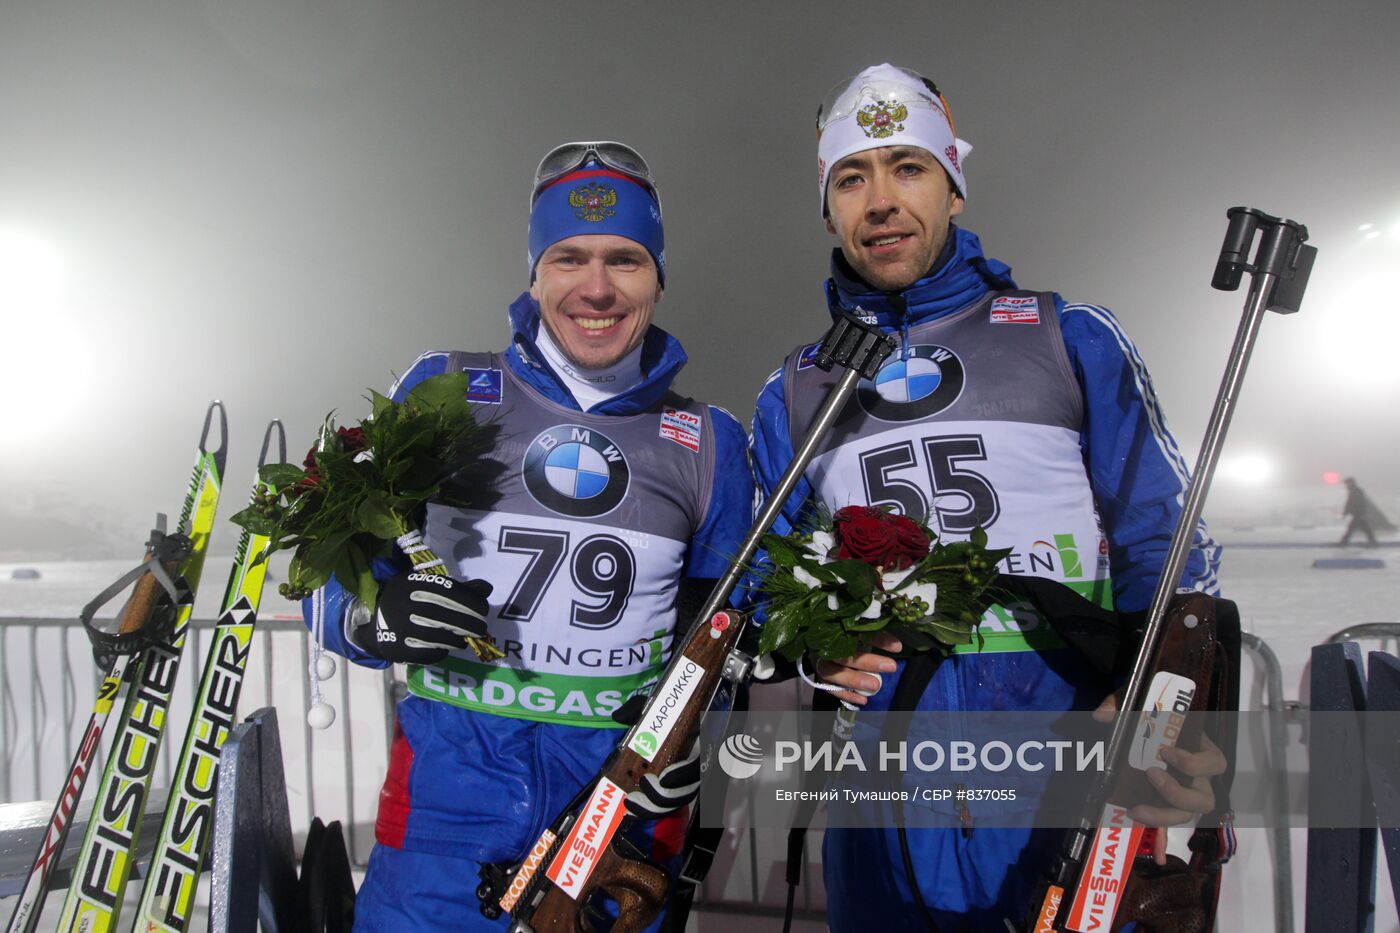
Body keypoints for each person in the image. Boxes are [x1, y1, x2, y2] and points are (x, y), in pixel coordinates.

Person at [749, 64, 1227, 930]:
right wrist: (814, 651)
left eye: (909, 167)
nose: (881, 200)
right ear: (828, 209)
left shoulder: (1066, 336)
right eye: (852, 178)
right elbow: (770, 580)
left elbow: (1171, 544)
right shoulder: (794, 390)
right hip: (882, 800)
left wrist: (1161, 709)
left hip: (1061, 771)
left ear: (954, 185)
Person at [306, 141, 753, 931]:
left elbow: (722, 638)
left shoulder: (710, 441)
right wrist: (366, 617)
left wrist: (695, 746)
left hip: (613, 830)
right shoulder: (446, 389)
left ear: (658, 277)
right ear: (534, 274)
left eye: (625, 259)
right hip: (444, 822)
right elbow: (325, 569)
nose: (597, 287)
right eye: (568, 257)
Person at [1339, 476, 1390, 546]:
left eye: (1347, 484)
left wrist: (1349, 512)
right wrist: (1346, 512)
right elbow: (1349, 504)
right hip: (1358, 514)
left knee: (1351, 529)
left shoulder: (1356, 492)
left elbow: (1355, 503)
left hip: (1358, 514)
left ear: (1351, 483)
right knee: (1365, 529)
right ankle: (1373, 542)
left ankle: (1343, 542)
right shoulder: (1354, 491)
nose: (1346, 486)